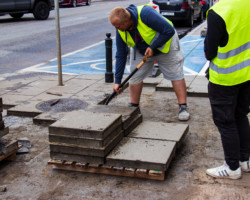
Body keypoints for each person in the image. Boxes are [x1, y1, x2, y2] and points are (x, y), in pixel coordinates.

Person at [109, 4, 190, 121]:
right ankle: (134, 106)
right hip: (142, 48)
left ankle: (183, 107)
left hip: (166, 43)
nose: (116, 29)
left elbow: (169, 30)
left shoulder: (146, 14)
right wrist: (117, 81)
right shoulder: (120, 30)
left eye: (117, 26)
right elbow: (121, 55)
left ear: (126, 22)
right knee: (135, 76)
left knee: (175, 73)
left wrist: (153, 47)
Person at [204, 0, 250, 179]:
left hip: (225, 77)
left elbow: (209, 51)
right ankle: (244, 161)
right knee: (240, 115)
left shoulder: (219, 11)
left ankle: (232, 168)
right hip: (247, 74)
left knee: (225, 121)